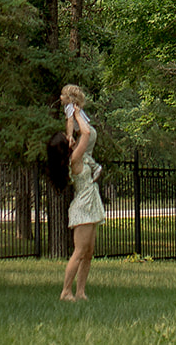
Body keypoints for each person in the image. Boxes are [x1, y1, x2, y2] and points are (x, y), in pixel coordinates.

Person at [58, 84, 104, 301]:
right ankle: (66, 291)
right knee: (79, 251)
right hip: (83, 207)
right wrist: (75, 112)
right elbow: (85, 131)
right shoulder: (75, 160)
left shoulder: (85, 158)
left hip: (91, 203)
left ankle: (81, 291)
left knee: (89, 252)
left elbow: (84, 132)